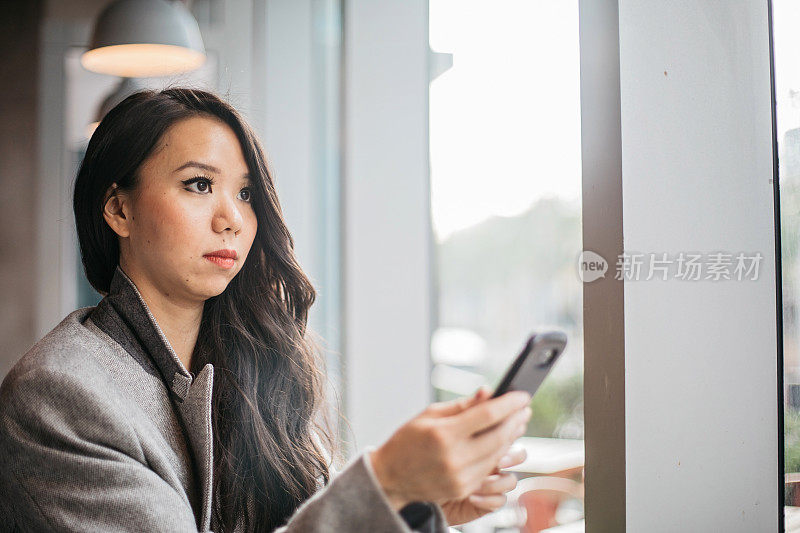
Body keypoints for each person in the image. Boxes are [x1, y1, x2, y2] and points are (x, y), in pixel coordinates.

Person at [0, 88, 532, 532]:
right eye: (199, 184)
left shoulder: (247, 368)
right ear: (119, 208)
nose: (232, 217)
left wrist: (412, 503)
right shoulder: (61, 394)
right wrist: (385, 483)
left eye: (248, 193)